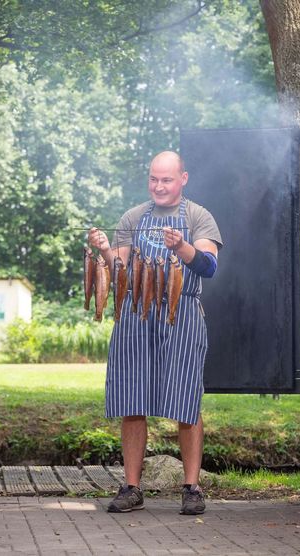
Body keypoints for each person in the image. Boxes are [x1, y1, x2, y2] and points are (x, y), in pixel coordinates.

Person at [88, 151, 222, 515]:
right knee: (132, 401)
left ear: (183, 178)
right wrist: (103, 249)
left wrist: (182, 246)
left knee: (186, 402)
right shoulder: (133, 217)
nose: (159, 186)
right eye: (154, 179)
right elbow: (118, 269)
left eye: (166, 179)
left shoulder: (198, 217)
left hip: (183, 315)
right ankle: (132, 487)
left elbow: (209, 266)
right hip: (135, 314)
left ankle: (191, 488)